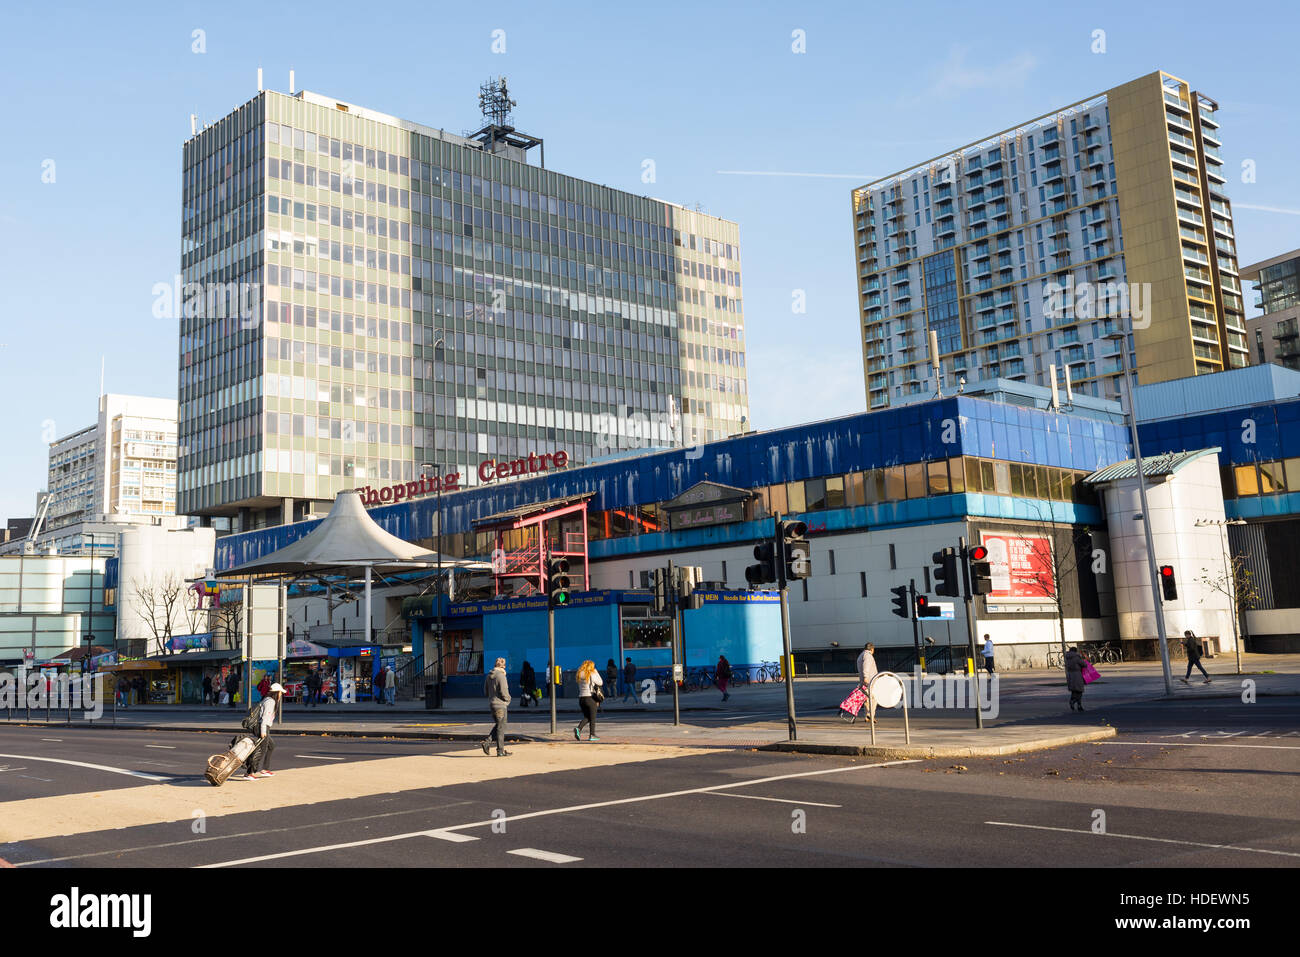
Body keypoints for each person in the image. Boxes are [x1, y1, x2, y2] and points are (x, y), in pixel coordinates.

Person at [237, 681, 284, 780]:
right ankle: (250, 773)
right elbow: (265, 717)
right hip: (262, 726)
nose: (281, 695)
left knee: (271, 746)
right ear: (276, 693)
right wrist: (263, 731)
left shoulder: (268, 699)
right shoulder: (270, 701)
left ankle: (265, 769)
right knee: (261, 751)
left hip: (263, 726)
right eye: (280, 692)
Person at [481, 657, 512, 757]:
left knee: (499, 726)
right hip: (500, 705)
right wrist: (508, 700)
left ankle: (488, 743)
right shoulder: (501, 676)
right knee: (501, 727)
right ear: (503, 666)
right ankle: (500, 750)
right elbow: (504, 692)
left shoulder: (488, 676)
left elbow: (485, 691)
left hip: (492, 704)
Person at [574, 659, 604, 741]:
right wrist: (596, 671)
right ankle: (592, 735)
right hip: (590, 698)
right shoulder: (591, 673)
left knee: (587, 717)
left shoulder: (580, 674)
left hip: (581, 699)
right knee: (593, 718)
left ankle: (578, 729)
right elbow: (601, 682)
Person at [856, 642, 878, 723]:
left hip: (863, 681)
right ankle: (870, 715)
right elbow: (866, 666)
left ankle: (867, 716)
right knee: (874, 698)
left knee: (867, 700)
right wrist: (866, 677)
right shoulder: (868, 656)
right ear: (872, 649)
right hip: (869, 681)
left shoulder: (861, 655)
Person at [1064, 646, 1088, 712]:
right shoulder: (1076, 657)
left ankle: (1073, 701)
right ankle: (1077, 703)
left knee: (1074, 691)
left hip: (1070, 675)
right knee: (1079, 690)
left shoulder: (1067, 658)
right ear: (1075, 651)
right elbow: (1084, 664)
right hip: (1077, 675)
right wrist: (1084, 659)